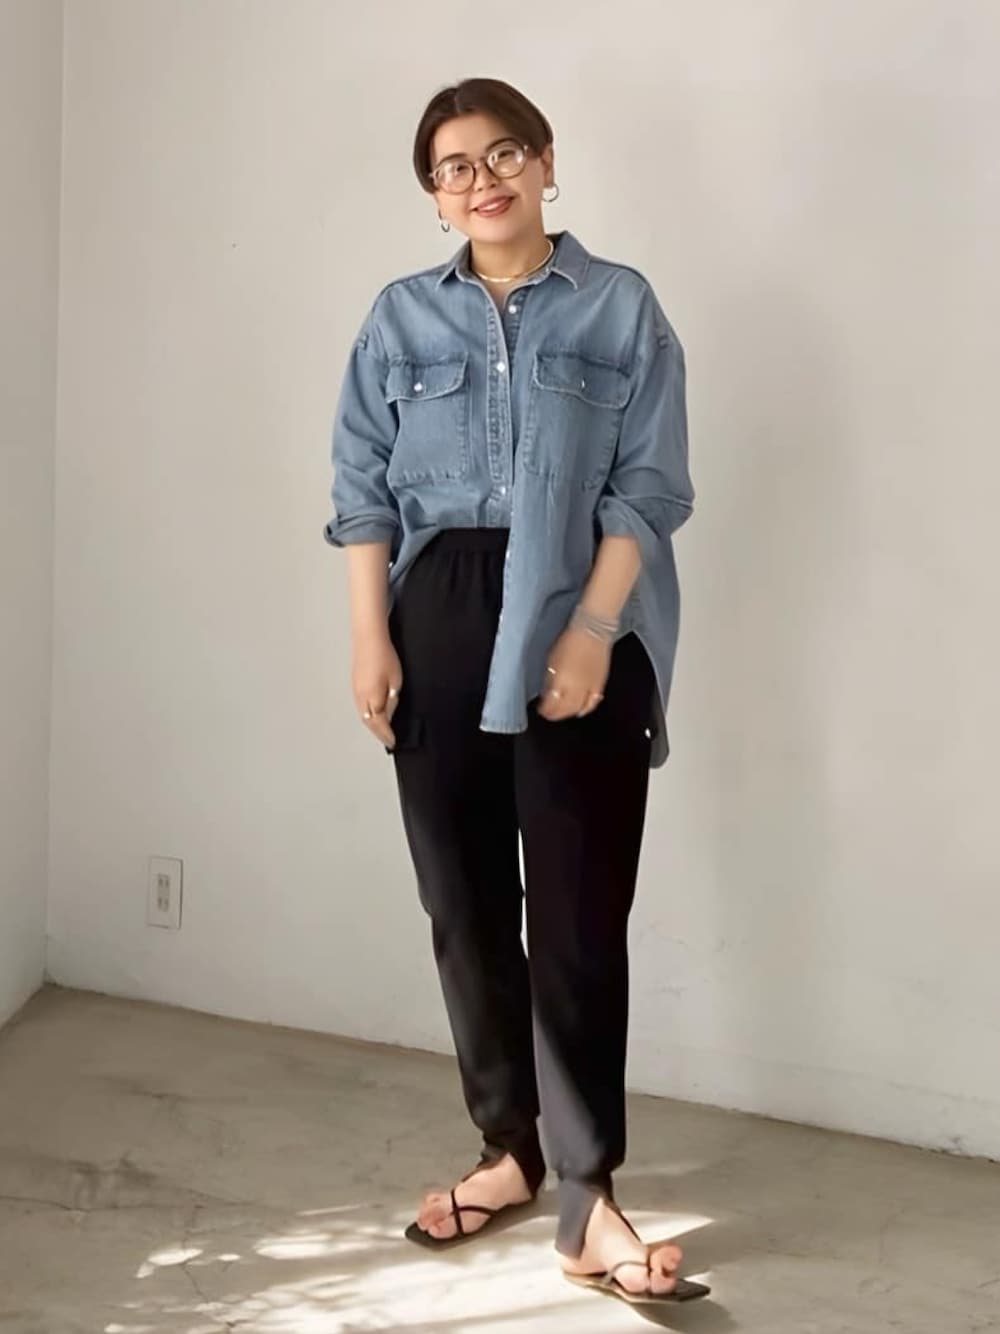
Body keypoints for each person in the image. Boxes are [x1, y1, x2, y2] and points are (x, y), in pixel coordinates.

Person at [323, 76, 708, 1308]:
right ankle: (508, 1146)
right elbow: (361, 488)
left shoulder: (619, 304)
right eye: (453, 167)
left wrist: (592, 631)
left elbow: (650, 485)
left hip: (579, 602)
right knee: (466, 903)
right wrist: (370, 638)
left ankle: (588, 1197)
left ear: (544, 162)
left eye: (501, 154)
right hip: (438, 611)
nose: (480, 180)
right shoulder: (398, 317)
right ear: (433, 197)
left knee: (581, 916)